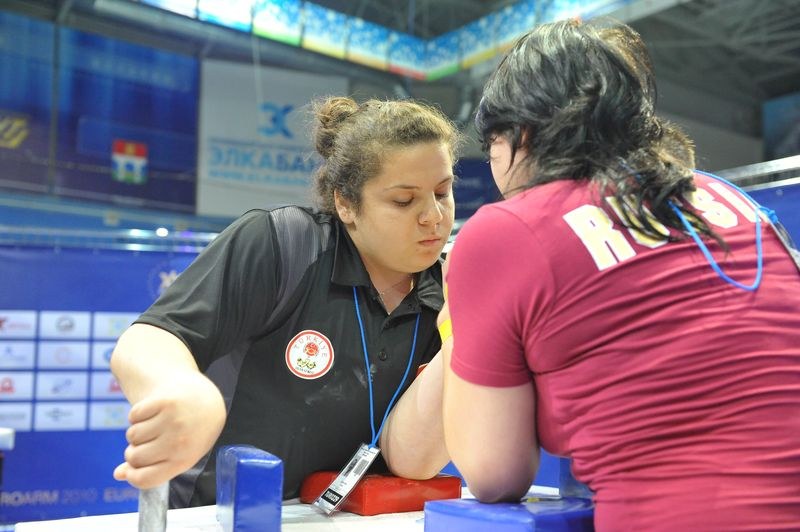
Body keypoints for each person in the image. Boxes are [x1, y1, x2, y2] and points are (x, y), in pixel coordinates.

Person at [440, 18, 800, 531]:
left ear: (517, 134)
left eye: (491, 148)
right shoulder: (727, 198)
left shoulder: (505, 231)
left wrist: (456, 315)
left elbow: (495, 474)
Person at [110, 96, 459, 507]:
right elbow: (148, 340)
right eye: (404, 200)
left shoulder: (451, 293)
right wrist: (184, 391)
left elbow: (413, 458)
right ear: (345, 203)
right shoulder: (282, 243)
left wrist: (465, 329)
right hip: (218, 516)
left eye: (443, 191)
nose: (433, 216)